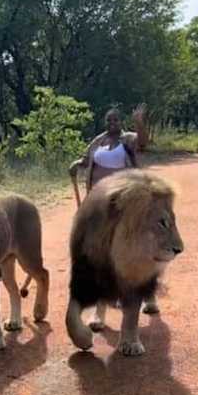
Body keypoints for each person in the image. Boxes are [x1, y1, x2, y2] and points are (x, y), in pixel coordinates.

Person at [74, 108, 160, 320]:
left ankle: (148, 294)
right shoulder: (98, 141)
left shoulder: (128, 138)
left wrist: (139, 121)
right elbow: (86, 160)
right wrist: (76, 165)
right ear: (105, 122)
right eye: (108, 119)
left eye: (115, 119)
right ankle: (100, 309)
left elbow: (143, 143)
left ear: (120, 121)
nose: (112, 122)